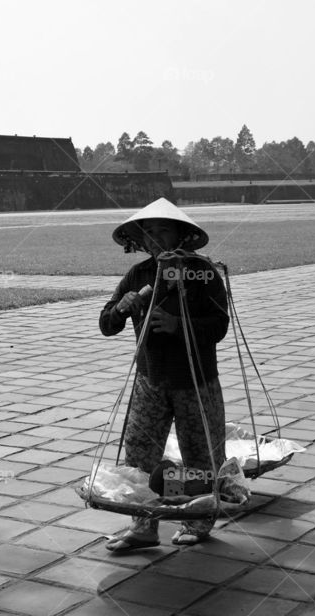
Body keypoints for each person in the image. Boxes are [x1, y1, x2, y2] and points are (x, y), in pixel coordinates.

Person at [99, 198, 229, 550]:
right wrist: (121, 309)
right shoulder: (138, 275)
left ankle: (197, 521)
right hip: (150, 380)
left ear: (181, 235)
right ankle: (144, 527)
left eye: (163, 230)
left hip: (194, 381)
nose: (155, 238)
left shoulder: (202, 273)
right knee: (140, 456)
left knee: (199, 455)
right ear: (140, 239)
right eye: (149, 232)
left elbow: (219, 326)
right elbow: (106, 325)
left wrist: (178, 324)